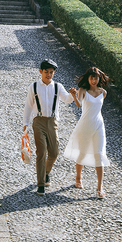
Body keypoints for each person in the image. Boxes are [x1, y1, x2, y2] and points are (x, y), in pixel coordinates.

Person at [23, 59, 76, 196]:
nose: (48, 75)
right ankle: (40, 184)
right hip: (38, 121)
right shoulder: (34, 87)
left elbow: (67, 99)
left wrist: (73, 94)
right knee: (41, 152)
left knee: (54, 152)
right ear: (41, 71)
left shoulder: (58, 87)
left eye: (51, 72)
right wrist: (25, 124)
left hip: (52, 122)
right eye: (46, 72)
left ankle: (46, 173)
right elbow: (28, 105)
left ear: (54, 73)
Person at [63, 66, 110, 198]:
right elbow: (78, 104)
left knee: (99, 154)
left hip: (99, 125)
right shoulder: (83, 90)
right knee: (82, 153)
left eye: (96, 78)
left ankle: (100, 187)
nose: (94, 81)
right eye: (91, 78)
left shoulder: (103, 92)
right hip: (85, 125)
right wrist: (74, 94)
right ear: (88, 78)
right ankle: (78, 177)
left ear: (99, 78)